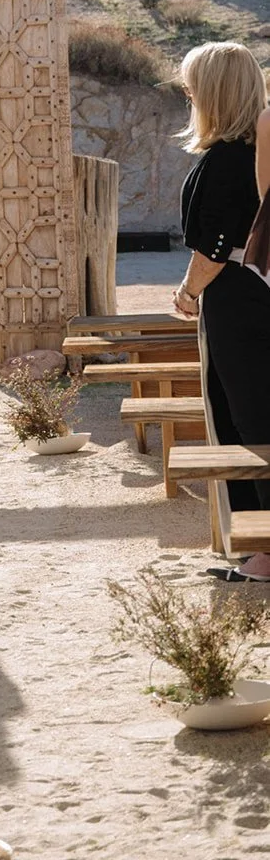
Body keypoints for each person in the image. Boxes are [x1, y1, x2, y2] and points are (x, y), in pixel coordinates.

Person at [172, 41, 270, 580]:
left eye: (192, 85)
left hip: (238, 296)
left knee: (247, 414)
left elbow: (215, 244)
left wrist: (188, 293)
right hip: (251, 289)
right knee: (248, 410)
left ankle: (264, 549)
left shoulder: (231, 156)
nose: (186, 93)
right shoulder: (254, 148)